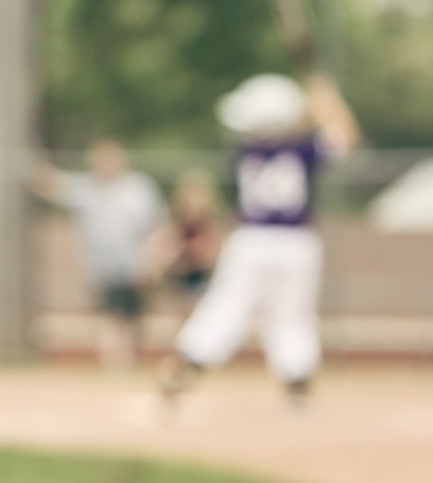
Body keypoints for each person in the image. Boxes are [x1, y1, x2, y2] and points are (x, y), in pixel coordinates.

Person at [162, 72, 360, 410]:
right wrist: (327, 102)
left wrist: (314, 107)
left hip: (252, 239)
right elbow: (345, 136)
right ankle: (297, 386)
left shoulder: (246, 151)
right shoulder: (303, 149)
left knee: (226, 305)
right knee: (292, 315)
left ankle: (187, 365)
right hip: (298, 242)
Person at [39, 141, 167, 371]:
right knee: (110, 314)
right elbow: (52, 186)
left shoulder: (138, 189)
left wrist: (153, 259)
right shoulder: (87, 189)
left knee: (132, 315)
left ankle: (127, 356)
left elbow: (156, 225)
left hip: (134, 264)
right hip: (101, 265)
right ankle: (114, 359)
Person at [161, 170, 223, 304]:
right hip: (177, 294)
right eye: (189, 196)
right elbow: (155, 272)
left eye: (198, 195)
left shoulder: (216, 231)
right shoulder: (170, 231)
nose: (194, 202)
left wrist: (204, 256)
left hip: (210, 294)